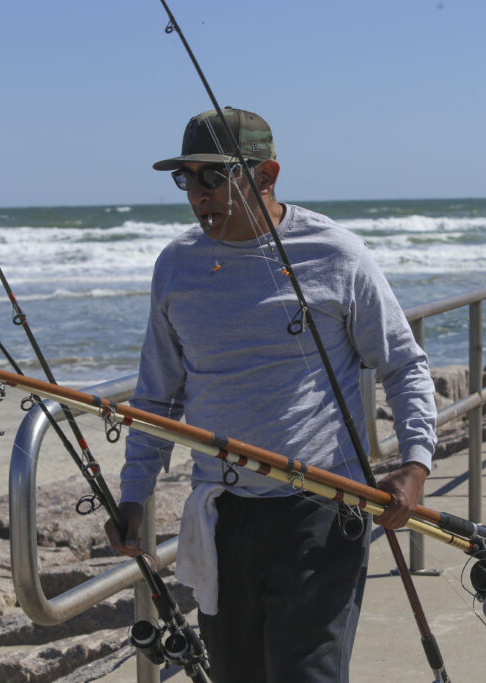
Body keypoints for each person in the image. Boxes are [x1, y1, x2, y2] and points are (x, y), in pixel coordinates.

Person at [104, 107, 438, 682]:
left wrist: (415, 464)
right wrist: (134, 494)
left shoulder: (337, 253)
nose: (198, 193)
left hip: (324, 511)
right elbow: (157, 397)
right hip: (221, 518)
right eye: (187, 178)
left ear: (267, 175)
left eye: (214, 175)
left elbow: (404, 364)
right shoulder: (176, 266)